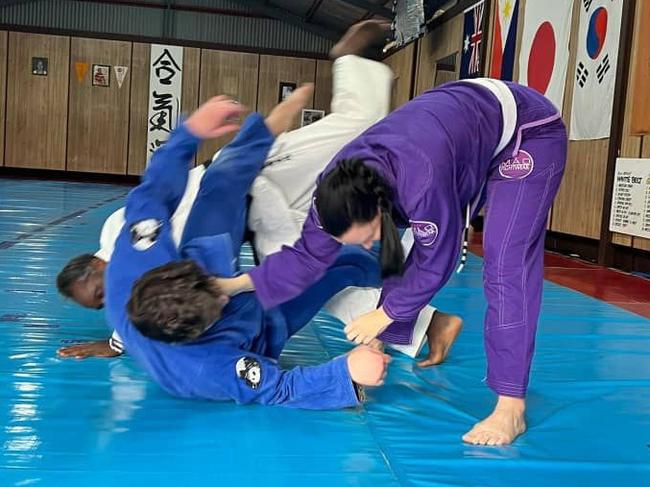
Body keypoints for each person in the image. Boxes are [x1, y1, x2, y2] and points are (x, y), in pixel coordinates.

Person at [57, 20, 460, 363]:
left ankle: (352, 56)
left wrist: (197, 133)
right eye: (100, 305)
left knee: (360, 126)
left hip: (252, 181)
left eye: (99, 291)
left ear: (96, 265)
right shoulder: (131, 279)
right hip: (251, 214)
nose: (109, 300)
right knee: (303, 275)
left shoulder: (124, 237)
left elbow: (161, 189)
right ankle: (425, 323)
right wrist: (114, 342)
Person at [217, 78, 568, 445]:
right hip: (460, 129)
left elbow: (438, 257)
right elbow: (306, 257)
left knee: (505, 265)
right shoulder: (332, 195)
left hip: (527, 132)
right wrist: (237, 284)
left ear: (381, 207)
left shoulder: (422, 178)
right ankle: (389, 341)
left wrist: (383, 315)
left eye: (368, 231)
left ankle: (511, 408)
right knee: (385, 252)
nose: (367, 241)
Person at [105, 88, 390, 408]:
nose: (228, 292)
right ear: (197, 332)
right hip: (258, 328)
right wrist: (345, 372)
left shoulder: (137, 260)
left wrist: (188, 134)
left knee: (222, 180)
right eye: (219, 302)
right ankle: (392, 267)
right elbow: (278, 389)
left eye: (215, 290)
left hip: (200, 259)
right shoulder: (202, 369)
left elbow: (151, 195)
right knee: (336, 263)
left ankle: (264, 132)